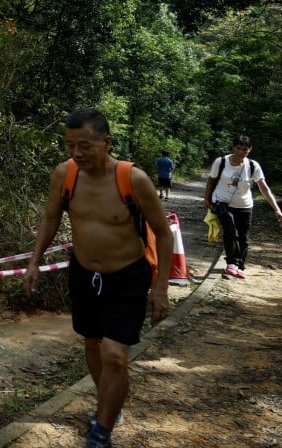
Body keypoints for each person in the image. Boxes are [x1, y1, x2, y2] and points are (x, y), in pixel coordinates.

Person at [24, 108, 172, 448]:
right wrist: (34, 262)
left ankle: (100, 433)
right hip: (84, 274)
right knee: (92, 344)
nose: (77, 153)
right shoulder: (64, 175)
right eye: (70, 145)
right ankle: (107, 404)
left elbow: (163, 234)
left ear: (106, 143)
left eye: (86, 145)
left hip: (128, 276)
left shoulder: (133, 179)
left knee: (115, 355)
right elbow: (49, 220)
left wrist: (160, 287)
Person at [204, 135, 282, 279]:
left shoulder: (253, 166)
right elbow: (211, 181)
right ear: (233, 148)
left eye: (245, 149)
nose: (241, 152)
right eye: (238, 148)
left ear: (250, 150)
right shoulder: (221, 162)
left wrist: (277, 210)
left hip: (245, 205)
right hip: (222, 202)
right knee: (230, 231)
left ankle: (240, 266)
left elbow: (264, 189)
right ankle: (231, 263)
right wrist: (207, 198)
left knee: (243, 237)